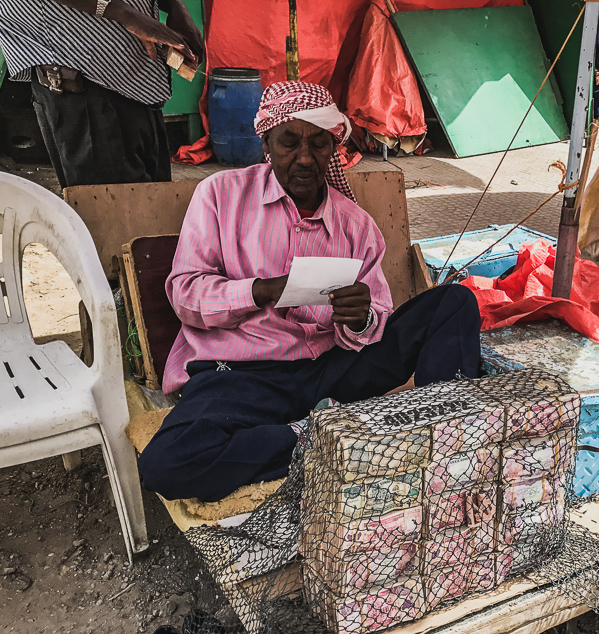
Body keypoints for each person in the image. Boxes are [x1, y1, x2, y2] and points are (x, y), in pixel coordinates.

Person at [138, 82, 482, 503]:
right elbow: (186, 294)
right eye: (289, 143)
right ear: (266, 141)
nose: (304, 158)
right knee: (166, 464)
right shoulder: (220, 196)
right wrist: (262, 290)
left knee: (453, 303)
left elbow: (377, 315)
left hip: (327, 370)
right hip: (240, 375)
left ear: (333, 149)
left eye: (319, 145)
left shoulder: (356, 226)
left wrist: (362, 318)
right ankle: (311, 438)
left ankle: (445, 435)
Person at [0, 0, 204, 188]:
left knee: (152, 216)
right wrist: (125, 14)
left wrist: (175, 6)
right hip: (86, 88)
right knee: (116, 221)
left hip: (138, 84)